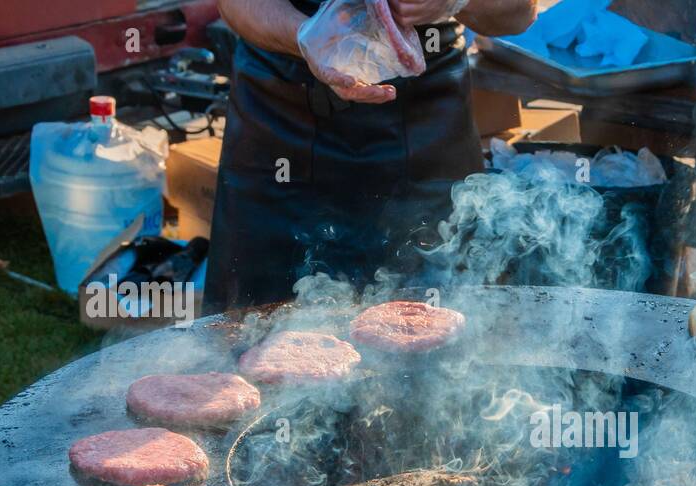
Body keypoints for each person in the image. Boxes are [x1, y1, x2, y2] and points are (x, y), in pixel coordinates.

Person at [206, 0, 536, 312]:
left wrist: (456, 2)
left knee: (437, 335)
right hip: (280, 122)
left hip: (427, 129)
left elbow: (519, 12)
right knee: (250, 334)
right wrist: (308, 37)